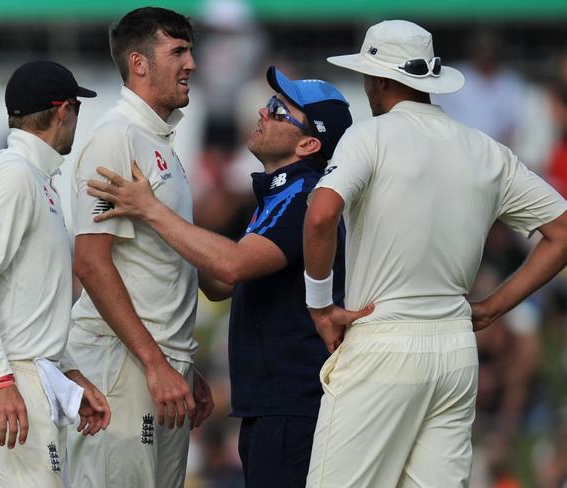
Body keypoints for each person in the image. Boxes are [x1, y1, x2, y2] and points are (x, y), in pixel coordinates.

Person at [301, 20, 567, 488]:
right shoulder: (486, 150)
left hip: (382, 346)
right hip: (455, 351)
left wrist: (320, 305)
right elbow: (562, 232)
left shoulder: (370, 136)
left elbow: (321, 215)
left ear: (379, 79)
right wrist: (492, 308)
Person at [84, 66, 372, 487]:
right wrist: (161, 228)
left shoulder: (303, 197)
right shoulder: (280, 194)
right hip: (274, 404)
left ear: (309, 143)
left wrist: (153, 210)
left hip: (294, 406)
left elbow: (231, 266)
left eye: (278, 109)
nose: (262, 110)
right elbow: (220, 285)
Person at [67, 7, 213, 488]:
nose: (192, 63)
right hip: (123, 365)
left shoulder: (160, 143)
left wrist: (181, 365)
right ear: (140, 63)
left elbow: (159, 266)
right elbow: (90, 262)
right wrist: (156, 362)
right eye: (178, 51)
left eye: (190, 50)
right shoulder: (116, 138)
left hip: (159, 367)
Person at [0, 60, 111, 488]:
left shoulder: (35, 177)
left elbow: (33, 301)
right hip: (3, 376)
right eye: (77, 109)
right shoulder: (14, 176)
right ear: (64, 110)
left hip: (21, 372)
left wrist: (69, 373)